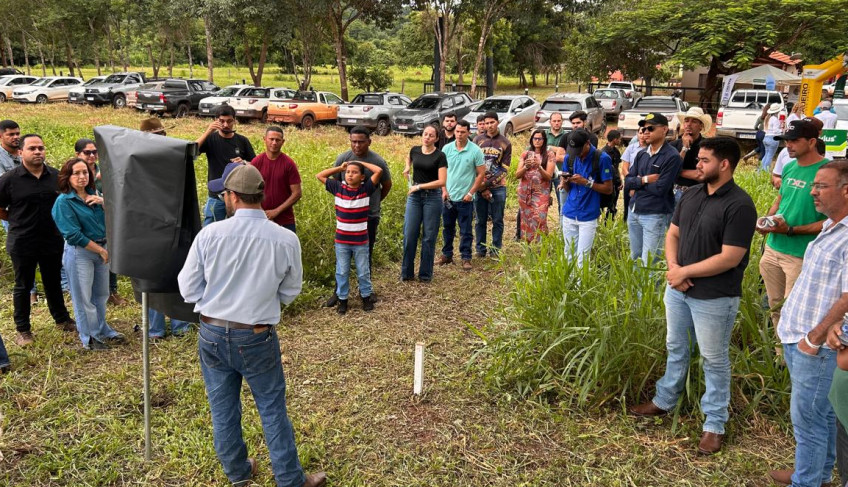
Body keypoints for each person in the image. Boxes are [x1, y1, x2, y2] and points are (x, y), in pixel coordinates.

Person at [178, 163, 326, 487]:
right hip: (257, 335)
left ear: (231, 197)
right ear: (261, 194)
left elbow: (187, 288)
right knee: (272, 408)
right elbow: (290, 291)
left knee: (222, 407)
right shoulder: (285, 239)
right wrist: (260, 300)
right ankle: (290, 480)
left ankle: (238, 474)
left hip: (212, 331)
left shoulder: (210, 234)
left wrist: (218, 299)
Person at [629, 137, 757, 455]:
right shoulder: (692, 194)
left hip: (714, 297)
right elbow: (673, 234)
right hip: (678, 290)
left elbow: (730, 257)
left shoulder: (740, 205)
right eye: (698, 159)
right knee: (676, 347)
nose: (696, 165)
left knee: (714, 360)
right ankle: (665, 400)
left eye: (703, 160)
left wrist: (686, 272)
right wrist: (675, 268)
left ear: (724, 164)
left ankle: (714, 424)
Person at [768, 160, 848, 487]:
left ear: (846, 190)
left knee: (810, 419)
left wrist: (814, 338)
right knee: (822, 415)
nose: (813, 192)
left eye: (821, 186)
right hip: (799, 335)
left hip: (815, 345)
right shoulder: (831, 225)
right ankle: (813, 471)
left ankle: (807, 480)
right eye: (814, 185)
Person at [0, 134, 75, 346]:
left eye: (40, 148)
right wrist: (15, 219)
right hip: (23, 240)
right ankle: (23, 330)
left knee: (53, 282)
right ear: (20, 152)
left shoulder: (56, 176)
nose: (37, 152)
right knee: (23, 285)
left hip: (51, 239)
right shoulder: (9, 179)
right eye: (32, 148)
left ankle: (62, 319)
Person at [758, 120, 828, 346]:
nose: (788, 145)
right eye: (786, 141)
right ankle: (781, 355)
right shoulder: (789, 166)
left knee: (795, 311)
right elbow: (781, 200)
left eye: (794, 140)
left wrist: (791, 230)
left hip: (800, 254)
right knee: (775, 304)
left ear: (812, 141)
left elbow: (832, 222)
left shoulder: (828, 173)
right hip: (773, 248)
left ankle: (796, 353)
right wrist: (767, 222)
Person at [51, 158, 125, 350]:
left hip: (102, 249)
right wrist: (101, 250)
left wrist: (104, 202)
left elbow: (116, 216)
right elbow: (72, 234)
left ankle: (103, 329)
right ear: (67, 177)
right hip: (81, 253)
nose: (82, 176)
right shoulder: (64, 202)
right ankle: (90, 337)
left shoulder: (95, 194)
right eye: (76, 173)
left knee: (101, 294)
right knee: (83, 298)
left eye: (85, 172)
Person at [324, 126, 391, 308]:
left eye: (361, 141)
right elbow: (335, 183)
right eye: (353, 141)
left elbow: (387, 184)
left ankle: (366, 293)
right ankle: (339, 294)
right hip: (346, 220)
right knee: (342, 261)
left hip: (369, 216)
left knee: (365, 256)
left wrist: (373, 203)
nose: (356, 145)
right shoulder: (343, 159)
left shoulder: (377, 161)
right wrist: (346, 204)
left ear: (369, 141)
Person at [142, 118, 193, 339]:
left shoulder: (175, 155)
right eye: (154, 135)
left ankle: (180, 324)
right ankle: (155, 329)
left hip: (175, 224)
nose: (158, 139)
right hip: (150, 227)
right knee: (152, 279)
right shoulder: (140, 159)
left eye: (160, 135)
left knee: (177, 274)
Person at [317, 160, 383, 314]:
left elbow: (378, 171)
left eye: (354, 172)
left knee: (363, 270)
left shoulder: (365, 189)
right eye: (348, 172)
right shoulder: (337, 187)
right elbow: (319, 175)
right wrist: (340, 167)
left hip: (360, 241)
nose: (350, 174)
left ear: (362, 177)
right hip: (342, 241)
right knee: (342, 270)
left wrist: (361, 163)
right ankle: (342, 299)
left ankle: (366, 297)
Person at [624, 113, 683, 265]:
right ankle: (638, 289)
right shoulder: (641, 154)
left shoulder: (672, 156)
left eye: (651, 128)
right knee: (636, 255)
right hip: (634, 210)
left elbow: (660, 189)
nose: (646, 132)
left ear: (664, 130)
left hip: (654, 214)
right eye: (643, 129)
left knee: (650, 260)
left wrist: (637, 184)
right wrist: (644, 180)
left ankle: (649, 289)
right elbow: (628, 182)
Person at [74, 138, 126, 306]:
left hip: (104, 216)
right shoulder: (74, 172)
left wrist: (102, 199)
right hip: (83, 220)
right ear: (78, 154)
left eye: (95, 152)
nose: (91, 155)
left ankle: (112, 291)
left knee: (108, 252)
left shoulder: (103, 171)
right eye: (87, 152)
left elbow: (115, 194)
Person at [559, 129, 613, 265]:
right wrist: (565, 182)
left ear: (587, 143)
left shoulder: (602, 158)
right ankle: (569, 284)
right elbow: (568, 188)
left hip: (588, 214)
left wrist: (586, 182)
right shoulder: (569, 158)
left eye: (579, 150)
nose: (577, 155)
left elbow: (608, 189)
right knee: (569, 253)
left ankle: (581, 285)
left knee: (583, 257)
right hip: (570, 212)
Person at [436, 120, 485, 270]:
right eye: (457, 131)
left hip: (466, 198)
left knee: (466, 230)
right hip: (448, 196)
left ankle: (466, 257)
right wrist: (444, 190)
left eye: (463, 132)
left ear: (469, 132)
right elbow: (441, 172)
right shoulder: (446, 149)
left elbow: (481, 174)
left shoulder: (475, 150)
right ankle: (447, 254)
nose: (459, 134)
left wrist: (471, 193)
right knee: (447, 227)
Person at [196, 105, 256, 226]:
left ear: (234, 120)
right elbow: (192, 151)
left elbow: (255, 165)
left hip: (238, 196)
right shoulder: (210, 139)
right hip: (216, 196)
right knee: (210, 228)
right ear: (216, 121)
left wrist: (244, 162)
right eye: (222, 121)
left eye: (229, 121)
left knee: (237, 229)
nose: (226, 125)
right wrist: (208, 131)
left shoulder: (242, 141)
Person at [0, 119, 38, 305]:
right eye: (11, 134)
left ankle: (60, 286)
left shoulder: (23, 153)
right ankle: (30, 292)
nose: (16, 137)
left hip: (33, 210)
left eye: (17, 134)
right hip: (13, 212)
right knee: (23, 254)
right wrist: (11, 217)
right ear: (1, 136)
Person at [402, 125, 447, 282]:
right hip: (414, 197)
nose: (427, 137)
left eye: (431, 135)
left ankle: (425, 274)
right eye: (425, 134)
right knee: (409, 234)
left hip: (432, 197)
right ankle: (406, 273)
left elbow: (442, 181)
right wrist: (407, 167)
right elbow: (409, 158)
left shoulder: (440, 156)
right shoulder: (414, 150)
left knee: (429, 236)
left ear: (436, 138)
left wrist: (419, 186)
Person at [473, 111, 511, 258]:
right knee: (480, 220)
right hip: (479, 186)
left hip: (498, 187)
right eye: (486, 123)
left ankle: (495, 249)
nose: (489, 125)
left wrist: (487, 184)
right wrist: (481, 187)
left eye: (492, 122)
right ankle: (480, 249)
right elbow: (472, 165)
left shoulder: (505, 142)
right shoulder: (477, 140)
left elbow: (505, 168)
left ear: (497, 122)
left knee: (497, 219)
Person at [250, 127, 302, 233]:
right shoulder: (256, 162)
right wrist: (261, 212)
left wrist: (276, 211)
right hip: (260, 219)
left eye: (277, 140)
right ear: (264, 139)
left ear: (283, 142)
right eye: (271, 139)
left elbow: (297, 193)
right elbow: (250, 191)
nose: (274, 143)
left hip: (285, 221)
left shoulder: (289, 164)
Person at [516, 129, 555, 242]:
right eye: (535, 138)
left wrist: (539, 167)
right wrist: (525, 167)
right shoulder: (525, 154)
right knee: (526, 218)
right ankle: (528, 244)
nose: (537, 141)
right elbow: (517, 175)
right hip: (525, 192)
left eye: (540, 138)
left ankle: (542, 243)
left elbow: (549, 176)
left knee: (540, 217)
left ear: (544, 140)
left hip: (541, 192)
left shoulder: (549, 154)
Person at [670, 107, 711, 203]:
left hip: (698, 193)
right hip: (674, 192)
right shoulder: (674, 145)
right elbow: (666, 170)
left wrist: (675, 171)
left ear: (701, 126)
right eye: (686, 121)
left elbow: (702, 174)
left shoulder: (708, 146)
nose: (689, 124)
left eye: (694, 121)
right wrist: (684, 148)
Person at [620, 128, 649, 221]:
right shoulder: (631, 147)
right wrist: (632, 182)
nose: (642, 136)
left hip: (644, 182)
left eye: (644, 133)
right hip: (630, 180)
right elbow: (624, 167)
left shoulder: (650, 149)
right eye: (640, 133)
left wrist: (638, 183)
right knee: (627, 206)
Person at [600, 130, 623, 219]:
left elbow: (617, 168)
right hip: (606, 182)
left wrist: (620, 181)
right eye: (619, 139)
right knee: (602, 204)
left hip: (615, 182)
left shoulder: (616, 151)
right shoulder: (603, 153)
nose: (620, 141)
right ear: (614, 139)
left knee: (613, 205)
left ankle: (609, 222)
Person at [761, 103, 782, 172]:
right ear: (777, 111)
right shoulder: (775, 119)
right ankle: (766, 171)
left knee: (766, 155)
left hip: (766, 137)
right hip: (773, 138)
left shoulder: (768, 118)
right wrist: (781, 130)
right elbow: (776, 131)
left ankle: (761, 170)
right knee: (770, 156)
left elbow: (765, 129)